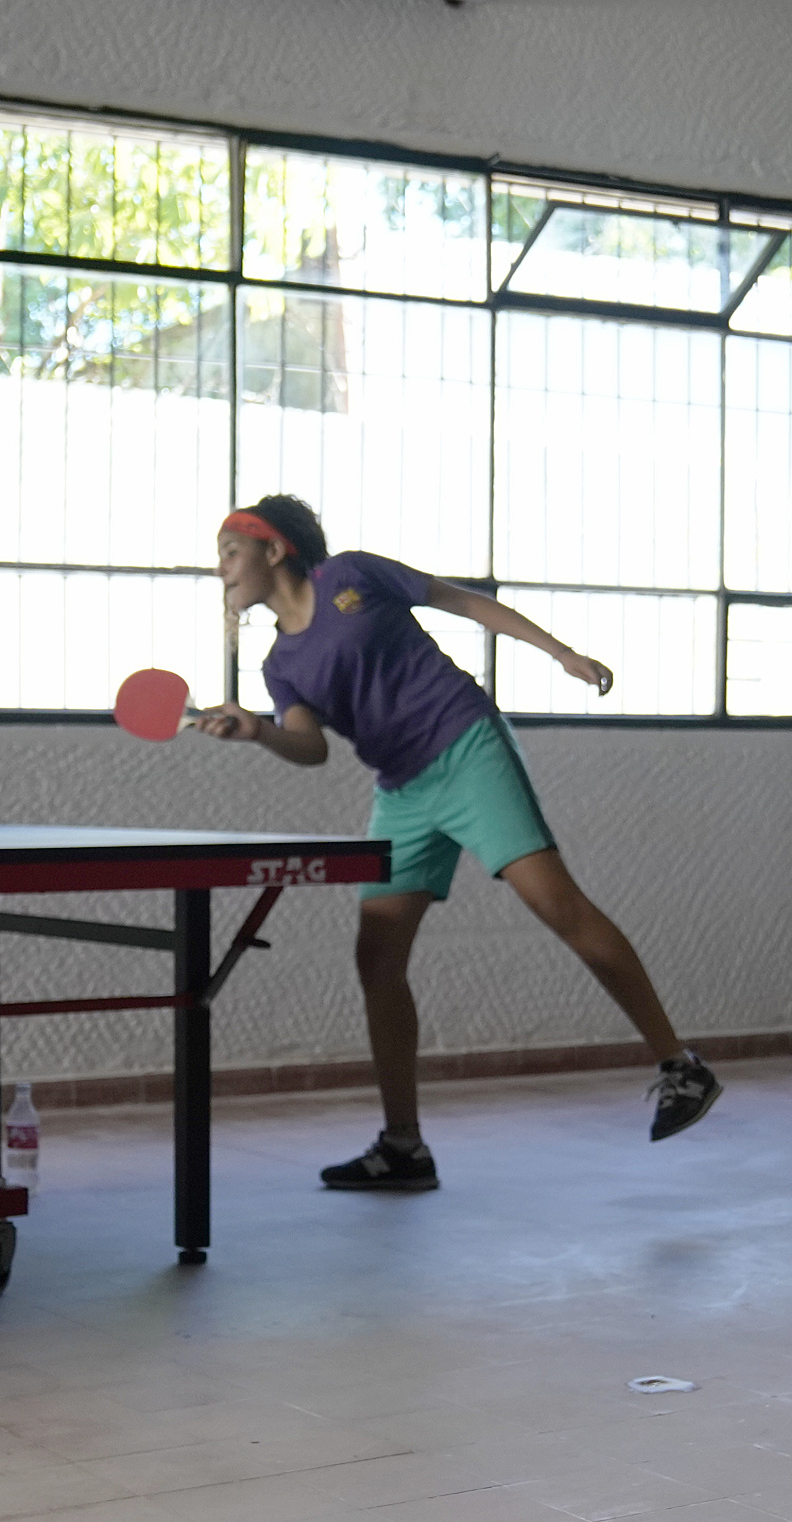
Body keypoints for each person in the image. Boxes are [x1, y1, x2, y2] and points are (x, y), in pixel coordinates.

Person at [196, 496, 719, 1188]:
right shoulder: (281, 663)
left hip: (466, 745)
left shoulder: (351, 575)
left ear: (273, 550)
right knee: (377, 959)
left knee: (558, 907)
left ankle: (681, 1065)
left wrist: (560, 653)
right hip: (402, 790)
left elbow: (461, 601)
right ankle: (403, 1146)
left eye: (230, 552)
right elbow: (310, 747)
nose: (222, 569)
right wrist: (258, 731)